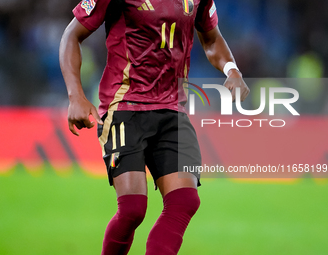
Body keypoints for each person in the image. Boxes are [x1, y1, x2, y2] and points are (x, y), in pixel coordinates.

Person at [59, 0, 249, 254]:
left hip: (172, 110)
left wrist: (232, 69)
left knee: (185, 201)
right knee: (132, 209)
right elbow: (72, 35)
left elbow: (211, 39)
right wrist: (76, 96)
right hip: (125, 106)